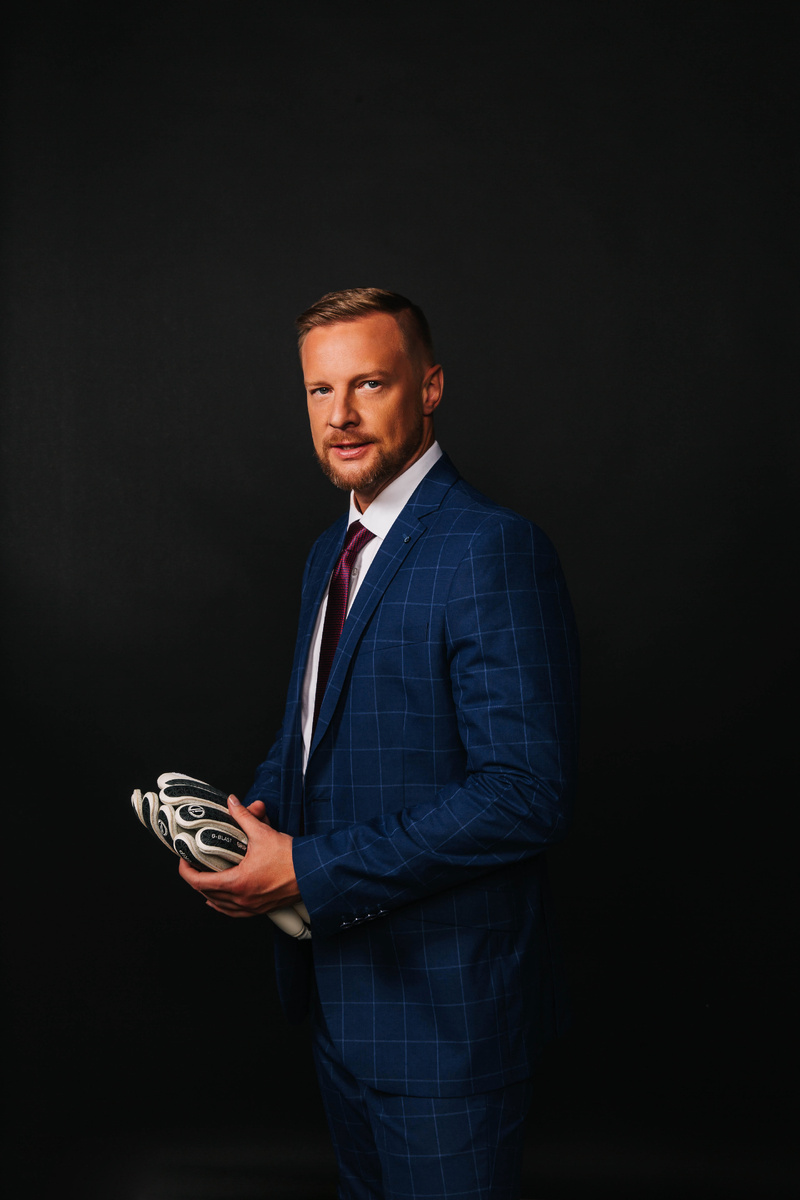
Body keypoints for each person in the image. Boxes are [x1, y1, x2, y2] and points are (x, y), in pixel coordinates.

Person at [178, 288, 580, 1200]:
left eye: (369, 384)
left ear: (429, 388)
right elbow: (311, 738)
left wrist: (304, 870)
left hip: (446, 1023)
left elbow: (526, 794)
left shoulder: (492, 548)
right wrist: (250, 829)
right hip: (340, 1001)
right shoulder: (331, 550)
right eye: (320, 391)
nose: (341, 416)